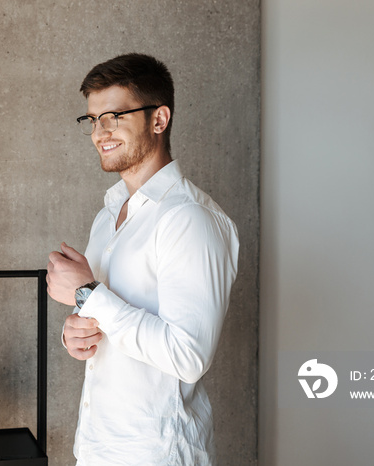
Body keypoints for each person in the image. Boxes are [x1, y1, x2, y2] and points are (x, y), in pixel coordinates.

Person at [46, 53, 239, 466]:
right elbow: (107, 319)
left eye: (114, 116)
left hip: (155, 455)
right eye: (92, 119)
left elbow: (188, 356)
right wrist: (75, 332)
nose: (100, 132)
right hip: (97, 448)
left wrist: (86, 291)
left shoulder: (189, 218)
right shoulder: (108, 216)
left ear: (159, 119)